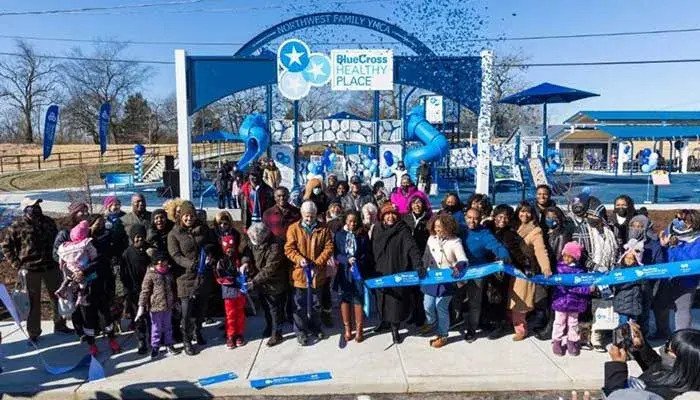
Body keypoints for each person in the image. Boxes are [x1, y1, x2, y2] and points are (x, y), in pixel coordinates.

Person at [1, 197, 73, 343]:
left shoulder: (48, 221)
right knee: (32, 302)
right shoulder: (16, 225)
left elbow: (57, 241)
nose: (36, 208)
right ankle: (34, 332)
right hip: (30, 269)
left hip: (51, 266)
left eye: (38, 205)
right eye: (33, 206)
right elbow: (6, 246)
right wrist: (17, 264)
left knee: (57, 297)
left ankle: (60, 324)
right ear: (25, 208)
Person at [167, 201, 217, 355]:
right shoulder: (174, 234)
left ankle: (198, 330)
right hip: (185, 277)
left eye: (192, 215)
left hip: (203, 274)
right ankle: (186, 339)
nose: (189, 218)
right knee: (186, 311)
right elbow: (175, 255)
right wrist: (190, 264)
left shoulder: (203, 228)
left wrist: (210, 255)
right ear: (181, 216)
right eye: (186, 216)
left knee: (202, 307)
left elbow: (212, 244)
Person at [603, 323, 700, 399]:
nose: (663, 349)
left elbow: (617, 397)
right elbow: (658, 368)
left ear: (685, 363)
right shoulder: (682, 375)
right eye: (667, 343)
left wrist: (617, 365)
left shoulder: (666, 394)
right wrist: (641, 347)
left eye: (668, 350)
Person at [284, 200, 334, 346]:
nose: (309, 219)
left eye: (312, 216)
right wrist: (299, 259)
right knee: (299, 305)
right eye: (307, 216)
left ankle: (315, 326)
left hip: (317, 274)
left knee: (316, 304)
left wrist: (318, 262)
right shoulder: (293, 228)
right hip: (300, 275)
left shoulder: (323, 229)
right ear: (301, 214)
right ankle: (301, 331)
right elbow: (289, 249)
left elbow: (329, 247)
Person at [372, 202, 423, 344]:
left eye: (393, 214)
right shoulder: (377, 229)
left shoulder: (403, 230)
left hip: (396, 269)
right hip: (380, 269)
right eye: (387, 214)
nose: (390, 217)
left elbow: (412, 248)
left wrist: (418, 266)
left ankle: (395, 329)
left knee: (394, 302)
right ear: (382, 216)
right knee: (381, 298)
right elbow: (372, 248)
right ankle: (384, 321)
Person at [459, 208, 510, 342]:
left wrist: (504, 255)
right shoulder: (460, 229)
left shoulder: (484, 233)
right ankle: (456, 321)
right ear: (465, 217)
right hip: (458, 271)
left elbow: (496, 246)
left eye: (475, 218)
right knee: (455, 299)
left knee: (474, 302)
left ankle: (471, 329)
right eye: (469, 218)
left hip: (477, 272)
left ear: (480, 218)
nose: (472, 221)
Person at [420, 215, 468, 348]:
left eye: (440, 227)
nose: (437, 229)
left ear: (448, 227)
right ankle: (431, 322)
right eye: (435, 227)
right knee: (427, 304)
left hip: (448, 279)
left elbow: (463, 259)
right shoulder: (431, 239)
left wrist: (459, 266)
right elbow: (425, 256)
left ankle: (443, 334)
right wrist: (422, 267)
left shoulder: (455, 241)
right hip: (431, 277)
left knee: (441, 306)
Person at [484, 205, 531, 340]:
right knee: (486, 297)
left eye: (506, 218)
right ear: (494, 216)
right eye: (500, 216)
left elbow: (517, 252)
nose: (503, 220)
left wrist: (526, 266)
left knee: (498, 297)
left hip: (502, 270)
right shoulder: (487, 228)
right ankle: (488, 321)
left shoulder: (510, 234)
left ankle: (500, 325)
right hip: (485, 266)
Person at [80, 214, 122, 355]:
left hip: (103, 280)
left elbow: (106, 256)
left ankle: (111, 339)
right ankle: (91, 343)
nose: (101, 225)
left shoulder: (106, 237)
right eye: (98, 223)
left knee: (106, 313)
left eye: (103, 222)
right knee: (89, 315)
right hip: (87, 283)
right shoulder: (83, 241)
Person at [656, 209, 700, 338]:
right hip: (668, 278)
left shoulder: (697, 241)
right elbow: (664, 257)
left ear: (691, 223)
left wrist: (675, 247)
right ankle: (662, 332)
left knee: (682, 310)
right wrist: (663, 246)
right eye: (677, 218)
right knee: (660, 306)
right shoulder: (672, 232)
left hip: (686, 281)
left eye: (681, 220)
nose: (677, 221)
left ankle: (681, 339)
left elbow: (692, 262)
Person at [511, 201, 552, 341]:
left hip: (524, 271)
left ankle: (521, 329)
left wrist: (546, 267)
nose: (524, 214)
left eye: (528, 212)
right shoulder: (513, 226)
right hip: (510, 269)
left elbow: (541, 250)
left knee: (520, 303)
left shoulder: (535, 230)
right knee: (510, 301)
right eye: (522, 211)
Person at [246, 223, 288, 347]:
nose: (252, 241)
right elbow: (247, 252)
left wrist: (254, 281)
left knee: (275, 309)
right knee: (265, 307)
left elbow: (270, 268)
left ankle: (277, 334)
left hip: (275, 282)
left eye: (254, 240)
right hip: (261, 282)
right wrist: (245, 263)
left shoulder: (276, 245)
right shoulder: (253, 240)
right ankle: (269, 327)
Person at [334, 211, 372, 343]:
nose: (352, 224)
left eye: (355, 221)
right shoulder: (339, 235)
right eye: (350, 221)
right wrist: (346, 259)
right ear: (345, 221)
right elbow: (336, 254)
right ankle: (347, 328)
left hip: (359, 271)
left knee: (358, 298)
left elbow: (367, 252)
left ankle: (359, 329)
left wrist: (358, 260)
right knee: (345, 298)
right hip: (344, 272)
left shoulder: (362, 234)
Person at [535, 206, 572, 341]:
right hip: (547, 272)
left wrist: (554, 271)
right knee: (548, 301)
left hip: (556, 272)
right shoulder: (545, 232)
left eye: (554, 217)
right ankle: (547, 325)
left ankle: (551, 329)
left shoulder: (561, 234)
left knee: (555, 302)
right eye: (548, 217)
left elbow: (559, 255)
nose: (551, 220)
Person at [136, 249, 180, 359]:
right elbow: (145, 290)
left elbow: (173, 288)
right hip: (155, 306)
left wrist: (175, 301)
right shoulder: (151, 274)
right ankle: (155, 346)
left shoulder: (169, 272)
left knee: (168, 326)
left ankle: (169, 343)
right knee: (156, 327)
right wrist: (141, 306)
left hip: (168, 305)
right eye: (158, 261)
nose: (161, 263)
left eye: (163, 260)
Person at [551, 241, 590, 356]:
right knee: (559, 322)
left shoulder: (580, 271)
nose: (566, 259)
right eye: (565, 256)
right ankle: (557, 341)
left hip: (575, 302)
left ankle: (572, 341)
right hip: (561, 300)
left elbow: (582, 286)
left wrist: (588, 289)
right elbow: (565, 286)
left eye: (570, 256)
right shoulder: (559, 269)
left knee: (573, 323)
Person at [119, 224, 152, 354]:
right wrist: (128, 291)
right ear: (133, 238)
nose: (140, 239)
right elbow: (123, 274)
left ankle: (153, 337)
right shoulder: (127, 254)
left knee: (152, 315)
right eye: (137, 237)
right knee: (138, 317)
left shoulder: (150, 250)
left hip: (151, 290)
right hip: (135, 290)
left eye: (142, 237)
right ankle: (141, 338)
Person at [214, 233, 247, 349]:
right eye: (227, 250)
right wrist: (230, 279)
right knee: (230, 315)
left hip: (240, 291)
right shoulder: (221, 262)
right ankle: (230, 335)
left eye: (232, 249)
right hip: (228, 292)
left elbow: (245, 272)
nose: (230, 252)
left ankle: (239, 333)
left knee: (240, 314)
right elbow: (219, 277)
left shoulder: (239, 260)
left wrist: (243, 274)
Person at [56, 221, 98, 310]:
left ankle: (62, 288)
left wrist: (64, 267)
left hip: (69, 267)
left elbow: (60, 259)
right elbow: (94, 256)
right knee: (84, 283)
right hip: (82, 267)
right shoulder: (86, 244)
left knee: (68, 279)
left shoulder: (65, 246)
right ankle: (82, 296)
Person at [612, 239, 646, 327]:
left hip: (635, 304)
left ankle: (633, 340)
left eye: (631, 258)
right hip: (622, 304)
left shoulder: (640, 272)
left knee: (634, 327)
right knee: (623, 325)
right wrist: (634, 280)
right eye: (627, 257)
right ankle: (622, 340)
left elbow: (644, 288)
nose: (629, 260)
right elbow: (617, 284)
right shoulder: (618, 270)